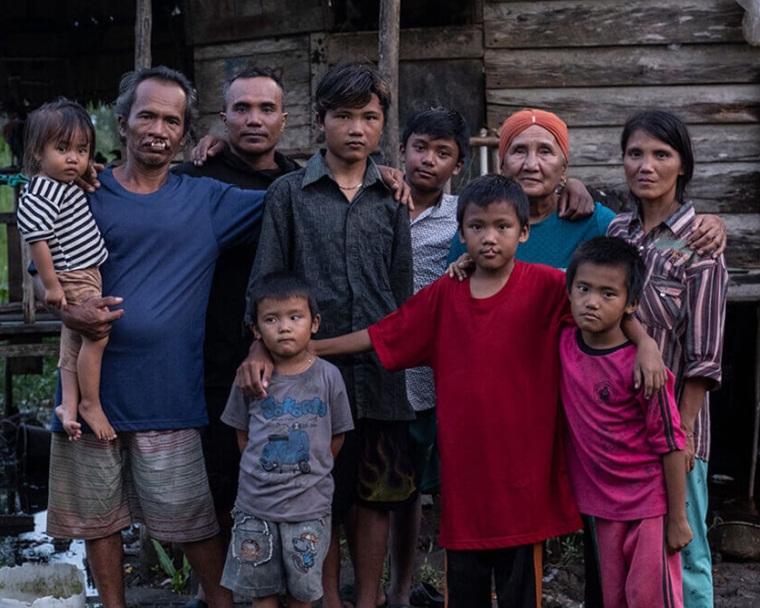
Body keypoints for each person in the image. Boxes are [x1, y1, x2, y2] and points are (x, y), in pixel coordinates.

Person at [309, 174, 665, 608]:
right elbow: (383, 334)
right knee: (464, 590)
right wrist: (309, 349)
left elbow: (602, 307)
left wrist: (645, 342)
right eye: (477, 227)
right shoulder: (446, 293)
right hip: (466, 485)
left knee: (520, 594)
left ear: (524, 232)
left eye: (502, 226)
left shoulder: (548, 288)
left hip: (524, 482)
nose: (489, 238)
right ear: (461, 234)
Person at [40, 66, 272, 608]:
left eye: (172, 120)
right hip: (88, 393)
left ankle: (222, 603)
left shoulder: (207, 201)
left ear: (187, 135)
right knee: (99, 521)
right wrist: (72, 315)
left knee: (192, 519)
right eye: (147, 115)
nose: (158, 129)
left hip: (169, 391)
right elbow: (45, 276)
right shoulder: (82, 195)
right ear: (121, 123)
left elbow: (288, 199)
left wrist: (375, 173)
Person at [236, 62, 414, 608]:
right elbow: (265, 281)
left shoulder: (392, 197)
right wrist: (259, 346)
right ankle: (326, 599)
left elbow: (401, 293)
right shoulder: (290, 193)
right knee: (318, 494)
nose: (356, 128)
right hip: (305, 378)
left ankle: (369, 599)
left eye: (369, 117)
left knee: (377, 495)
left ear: (383, 125)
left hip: (380, 374)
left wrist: (398, 343)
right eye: (343, 116)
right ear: (320, 123)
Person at [607, 110, 727, 608]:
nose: (646, 165)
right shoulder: (616, 233)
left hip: (676, 429)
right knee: (631, 556)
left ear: (683, 165)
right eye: (636, 153)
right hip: (617, 426)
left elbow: (704, 359)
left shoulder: (699, 244)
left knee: (686, 552)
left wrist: (679, 435)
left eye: (661, 154)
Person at [561, 236, 692, 608]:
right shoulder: (565, 343)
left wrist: (678, 519)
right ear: (569, 290)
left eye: (608, 294)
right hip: (601, 507)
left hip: (648, 506)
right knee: (614, 599)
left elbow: (670, 442)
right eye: (583, 289)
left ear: (631, 304)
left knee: (650, 599)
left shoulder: (644, 370)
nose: (592, 302)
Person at [448, 109, 726, 270]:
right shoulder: (477, 225)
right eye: (519, 151)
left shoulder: (598, 223)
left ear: (564, 166)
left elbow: (653, 246)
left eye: (545, 151)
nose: (531, 164)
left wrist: (709, 223)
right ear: (502, 164)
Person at [220, 272, 353, 608]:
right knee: (260, 591)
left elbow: (336, 436)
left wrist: (311, 473)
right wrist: (263, 473)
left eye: (295, 317)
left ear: (314, 323)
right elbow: (242, 433)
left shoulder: (328, 376)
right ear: (256, 329)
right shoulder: (251, 378)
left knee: (302, 592)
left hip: (308, 507)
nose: (284, 327)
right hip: (255, 507)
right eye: (271, 319)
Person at [383, 107, 469, 608]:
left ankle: (402, 588)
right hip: (370, 367)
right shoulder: (377, 199)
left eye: (443, 153)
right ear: (402, 150)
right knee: (367, 484)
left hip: (426, 379)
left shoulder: (462, 216)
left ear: (457, 165)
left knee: (413, 487)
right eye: (420, 148)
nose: (428, 160)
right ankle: (368, 584)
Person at [17, 99, 112, 441]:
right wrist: (51, 284)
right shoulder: (42, 191)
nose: (73, 158)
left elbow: (78, 176)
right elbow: (37, 238)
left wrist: (87, 170)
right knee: (97, 334)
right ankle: (90, 402)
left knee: (73, 343)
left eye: (82, 150)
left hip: (82, 271)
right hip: (73, 274)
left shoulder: (60, 183)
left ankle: (67, 406)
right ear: (38, 152)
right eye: (62, 149)